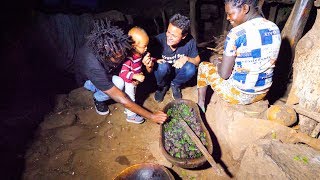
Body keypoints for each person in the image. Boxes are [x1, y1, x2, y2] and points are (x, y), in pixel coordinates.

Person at [75, 19, 167, 124]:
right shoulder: (94, 67)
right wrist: (151, 116)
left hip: (108, 70)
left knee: (122, 80)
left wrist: (138, 71)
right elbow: (122, 99)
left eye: (124, 52)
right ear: (107, 57)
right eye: (119, 58)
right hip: (88, 80)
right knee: (119, 83)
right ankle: (98, 98)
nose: (123, 56)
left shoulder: (118, 42)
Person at [197, 0, 281, 112]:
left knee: (204, 66)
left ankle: (200, 105)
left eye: (230, 13)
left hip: (240, 94)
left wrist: (215, 62)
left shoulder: (236, 33)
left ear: (245, 8)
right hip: (263, 91)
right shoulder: (274, 27)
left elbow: (224, 75)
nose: (227, 18)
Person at [152, 13, 200, 102]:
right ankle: (162, 87)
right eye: (168, 32)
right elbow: (147, 59)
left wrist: (186, 58)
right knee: (162, 67)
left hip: (177, 73)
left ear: (184, 36)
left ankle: (175, 84)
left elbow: (197, 61)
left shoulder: (190, 41)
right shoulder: (158, 40)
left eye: (174, 35)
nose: (169, 37)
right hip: (163, 73)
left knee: (190, 68)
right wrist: (155, 60)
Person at [119, 27, 153, 123]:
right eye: (144, 46)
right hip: (128, 82)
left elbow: (145, 60)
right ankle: (131, 116)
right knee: (130, 98)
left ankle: (128, 110)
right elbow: (123, 73)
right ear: (134, 46)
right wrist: (135, 76)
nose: (146, 48)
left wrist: (154, 60)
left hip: (134, 82)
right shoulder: (129, 58)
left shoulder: (140, 54)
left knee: (133, 95)